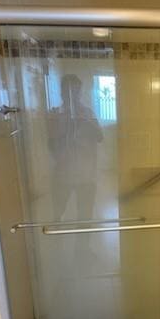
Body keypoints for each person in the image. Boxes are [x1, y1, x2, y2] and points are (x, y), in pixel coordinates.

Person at [48, 74, 103, 221]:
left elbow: (100, 137)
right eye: (68, 91)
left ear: (80, 92)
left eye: (76, 91)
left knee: (85, 214)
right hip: (63, 173)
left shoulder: (88, 113)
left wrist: (87, 122)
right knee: (58, 212)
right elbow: (50, 144)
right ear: (62, 93)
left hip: (86, 174)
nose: (72, 96)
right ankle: (56, 242)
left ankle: (83, 245)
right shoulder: (55, 115)